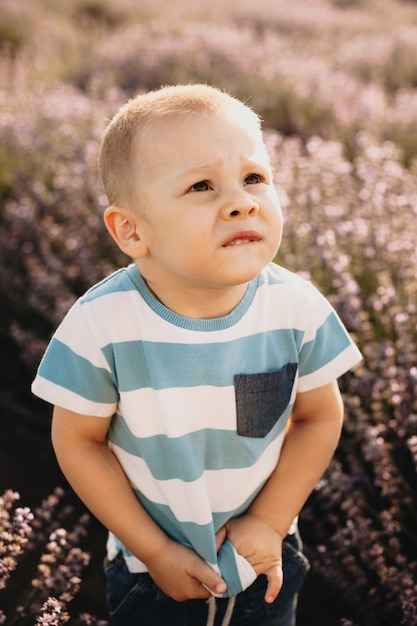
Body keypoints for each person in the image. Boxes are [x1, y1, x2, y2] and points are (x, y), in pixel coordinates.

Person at [32, 83, 362, 626]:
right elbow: (78, 442)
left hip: (267, 559)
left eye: (254, 177)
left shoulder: (296, 306)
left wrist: (270, 522)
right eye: (202, 185)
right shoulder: (102, 324)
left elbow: (320, 415)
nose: (241, 200)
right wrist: (155, 551)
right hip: (152, 574)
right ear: (131, 230)